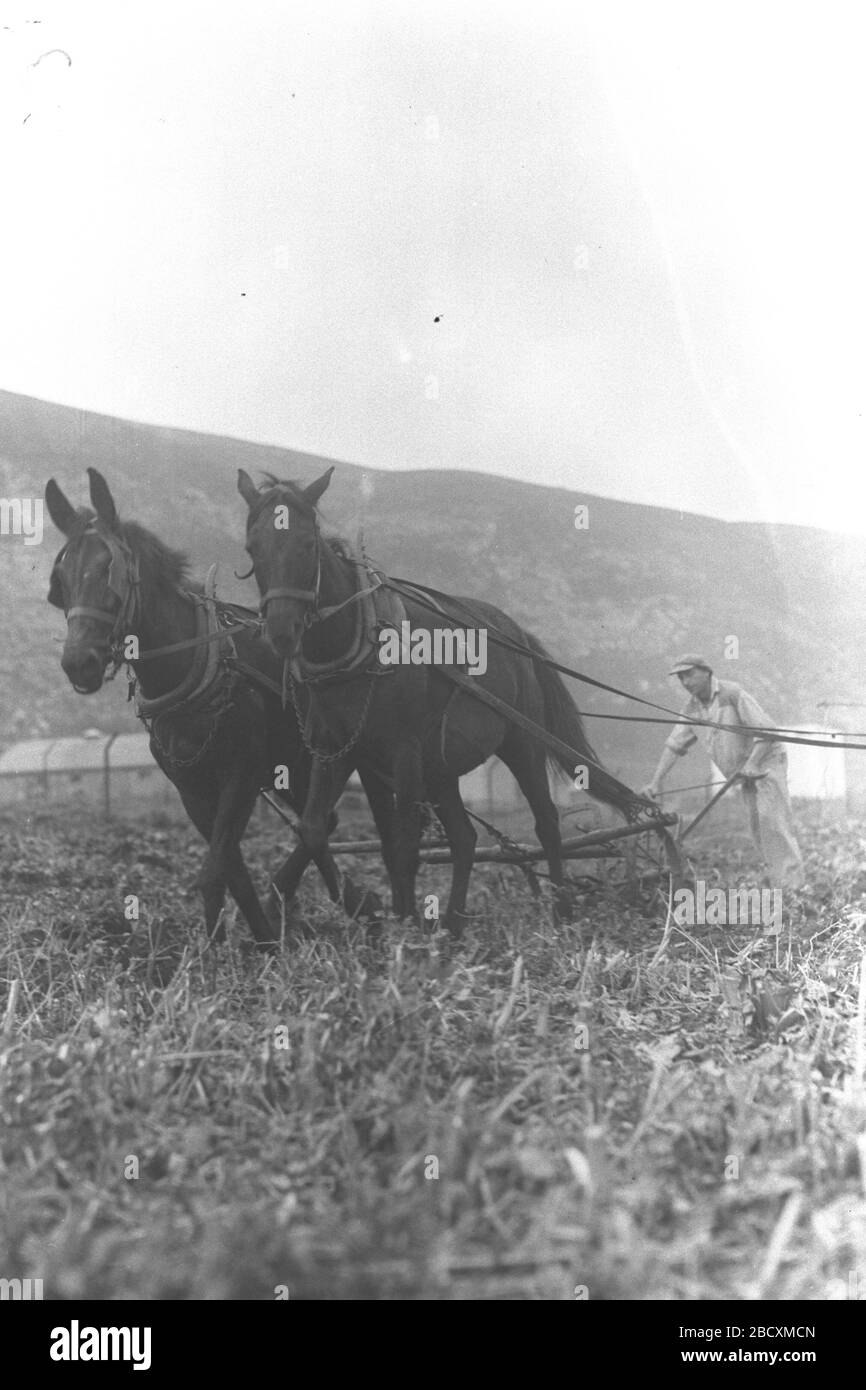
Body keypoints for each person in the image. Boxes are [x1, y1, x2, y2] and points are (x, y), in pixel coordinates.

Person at [642, 654, 805, 889]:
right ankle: (779, 882)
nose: (685, 682)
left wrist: (753, 763)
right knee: (758, 826)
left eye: (689, 675)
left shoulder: (732, 694)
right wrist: (656, 783)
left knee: (772, 820)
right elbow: (673, 745)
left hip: (767, 761)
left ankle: (794, 887)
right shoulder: (692, 709)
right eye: (681, 678)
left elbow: (767, 730)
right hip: (744, 771)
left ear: (706, 672)